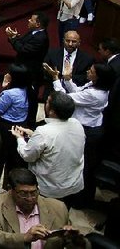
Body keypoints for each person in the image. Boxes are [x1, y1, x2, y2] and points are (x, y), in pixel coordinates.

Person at [46, 61, 111, 206]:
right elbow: (76, 92)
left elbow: (65, 99)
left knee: (83, 166)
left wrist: (56, 79)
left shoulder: (95, 94)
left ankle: (79, 200)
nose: (88, 71)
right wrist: (67, 79)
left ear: (99, 77)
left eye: (92, 71)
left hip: (89, 131)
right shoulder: (92, 87)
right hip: (87, 127)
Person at [12, 91, 85, 201]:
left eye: (47, 102)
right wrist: (33, 134)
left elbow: (28, 155)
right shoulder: (77, 123)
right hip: (73, 184)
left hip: (50, 189)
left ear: (52, 111)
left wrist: (20, 138)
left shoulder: (43, 132)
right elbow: (56, 141)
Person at [0, 168, 73, 249]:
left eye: (33, 193)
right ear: (10, 190)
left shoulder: (58, 208)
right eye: (23, 193)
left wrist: (73, 238)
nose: (30, 198)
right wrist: (24, 237)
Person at [0, 64, 29, 196]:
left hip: (5, 128)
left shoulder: (9, 94)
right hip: (20, 128)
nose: (6, 74)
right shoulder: (28, 90)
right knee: (14, 161)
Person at [6, 11, 49, 127]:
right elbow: (24, 44)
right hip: (23, 71)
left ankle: (30, 124)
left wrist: (12, 38)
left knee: (31, 99)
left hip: (31, 75)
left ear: (38, 24)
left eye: (31, 20)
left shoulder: (41, 38)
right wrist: (15, 36)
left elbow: (24, 50)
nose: (28, 21)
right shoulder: (33, 33)